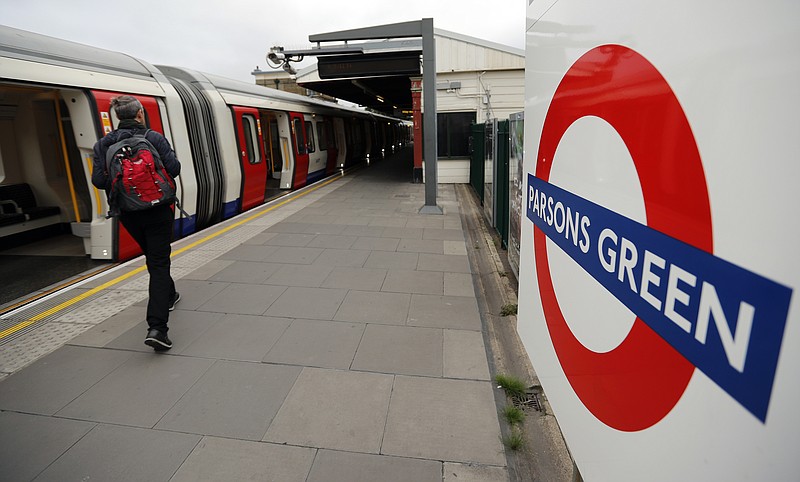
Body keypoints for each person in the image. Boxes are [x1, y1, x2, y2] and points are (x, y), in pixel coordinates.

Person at [92, 95, 181, 351]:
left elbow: (99, 181)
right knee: (159, 262)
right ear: (140, 113)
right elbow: (174, 168)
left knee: (154, 259)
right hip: (159, 209)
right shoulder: (154, 138)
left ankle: (170, 294)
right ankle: (157, 328)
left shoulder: (103, 144)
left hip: (129, 212)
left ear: (118, 116)